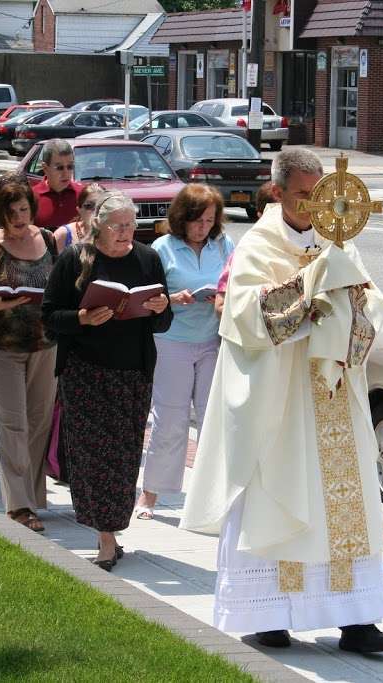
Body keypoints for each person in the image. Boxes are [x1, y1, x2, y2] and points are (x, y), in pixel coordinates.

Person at [180, 148, 383, 653]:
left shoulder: (337, 241)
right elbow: (245, 317)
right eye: (304, 195)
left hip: (333, 397)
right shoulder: (257, 244)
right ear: (277, 192)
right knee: (279, 496)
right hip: (279, 401)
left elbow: (370, 308)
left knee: (345, 507)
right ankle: (269, 614)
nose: (317, 206)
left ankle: (356, 618)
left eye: (322, 195)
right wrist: (312, 287)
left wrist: (351, 299)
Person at [41, 191, 171, 569]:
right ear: (99, 225)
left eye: (131, 225)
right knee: (93, 454)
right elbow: (49, 315)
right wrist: (81, 319)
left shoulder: (147, 259)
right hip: (85, 371)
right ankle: (105, 539)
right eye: (119, 226)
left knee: (125, 454)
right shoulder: (74, 259)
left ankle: (113, 525)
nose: (127, 233)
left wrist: (161, 309)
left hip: (133, 372)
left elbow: (162, 324)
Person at [135, 184, 234, 519]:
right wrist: (175, 299)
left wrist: (221, 296)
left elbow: (234, 284)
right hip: (172, 339)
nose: (203, 227)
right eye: (196, 220)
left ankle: (214, 497)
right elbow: (146, 298)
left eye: (209, 220)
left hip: (211, 340)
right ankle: (150, 495)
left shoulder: (223, 245)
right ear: (182, 218)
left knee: (213, 420)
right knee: (171, 421)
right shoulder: (163, 248)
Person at [0, 178, 58, 532]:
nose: (19, 217)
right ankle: (18, 505)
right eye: (11, 211)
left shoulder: (48, 240)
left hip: (44, 344)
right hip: (2, 346)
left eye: (24, 209)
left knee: (38, 422)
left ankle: (32, 497)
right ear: (0, 213)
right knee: (13, 424)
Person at [215, 181, 274, 316]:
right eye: (275, 213)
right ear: (260, 215)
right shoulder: (245, 252)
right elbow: (220, 307)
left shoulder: (310, 247)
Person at [32, 139, 83, 229]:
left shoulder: (83, 195)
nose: (66, 173)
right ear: (45, 168)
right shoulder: (32, 197)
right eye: (59, 168)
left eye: (70, 166)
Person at [53, 182, 104, 253]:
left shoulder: (115, 233)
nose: (95, 210)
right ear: (79, 210)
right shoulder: (63, 235)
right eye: (89, 206)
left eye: (100, 206)